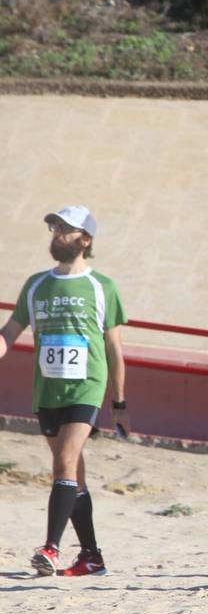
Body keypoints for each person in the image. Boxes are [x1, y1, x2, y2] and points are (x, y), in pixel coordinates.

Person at [0, 206, 127, 577]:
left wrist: (119, 402)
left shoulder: (102, 287)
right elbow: (10, 332)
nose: (56, 234)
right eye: (54, 227)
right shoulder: (37, 284)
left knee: (63, 463)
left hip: (87, 387)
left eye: (65, 229)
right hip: (48, 390)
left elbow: (114, 348)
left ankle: (51, 548)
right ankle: (91, 556)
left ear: (85, 239)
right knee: (74, 474)